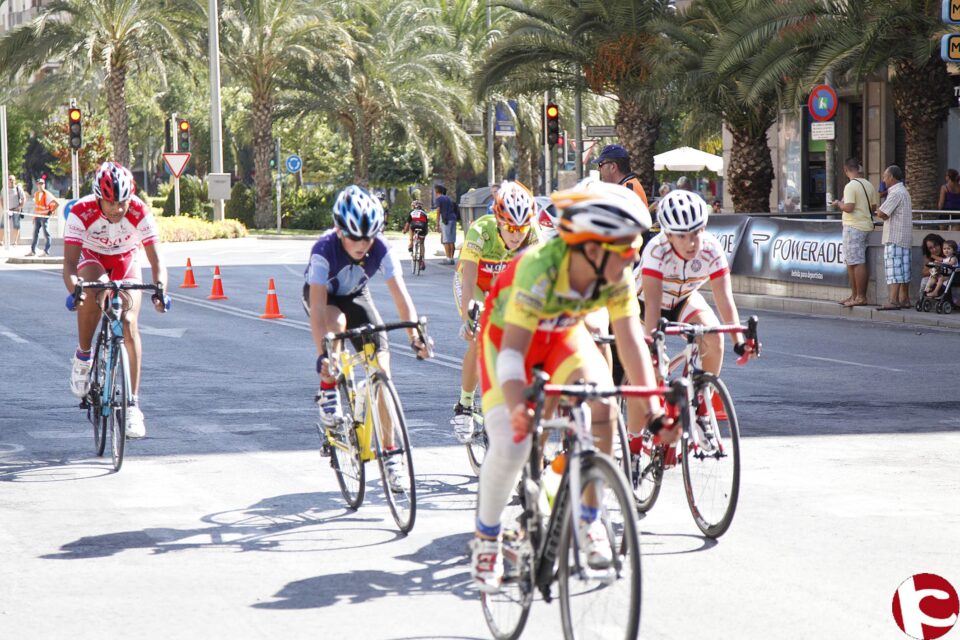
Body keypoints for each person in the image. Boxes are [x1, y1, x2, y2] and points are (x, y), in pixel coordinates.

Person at [470, 180, 669, 592]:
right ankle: (487, 539)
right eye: (626, 248)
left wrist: (654, 411)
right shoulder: (538, 268)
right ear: (593, 248)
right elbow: (512, 353)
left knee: (604, 405)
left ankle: (589, 519)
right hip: (508, 343)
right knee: (512, 443)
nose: (634, 256)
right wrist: (517, 408)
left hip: (561, 336)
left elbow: (631, 341)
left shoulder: (614, 273)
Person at [304, 185, 432, 491]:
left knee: (382, 372)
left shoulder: (381, 248)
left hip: (356, 296)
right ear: (339, 230)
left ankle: (390, 454)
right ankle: (329, 390)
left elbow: (401, 296)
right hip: (324, 299)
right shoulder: (323, 250)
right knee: (336, 323)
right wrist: (323, 357)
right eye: (355, 237)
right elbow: (318, 310)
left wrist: (415, 335)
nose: (363, 245)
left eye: (369, 237)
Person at [63, 161, 169, 438]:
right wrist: (76, 290)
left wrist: (160, 290)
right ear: (99, 197)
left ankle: (132, 405)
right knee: (92, 291)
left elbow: (157, 261)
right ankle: (83, 356)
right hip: (92, 258)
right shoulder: (81, 211)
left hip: (125, 259)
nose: (117, 209)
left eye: (122, 202)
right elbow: (70, 265)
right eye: (110, 202)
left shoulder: (139, 211)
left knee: (129, 320)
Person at [451, 181, 540, 442]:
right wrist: (469, 319)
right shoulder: (481, 231)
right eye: (510, 227)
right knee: (479, 338)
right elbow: (468, 281)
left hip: (506, 286)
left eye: (522, 228)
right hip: (476, 286)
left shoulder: (533, 234)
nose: (516, 235)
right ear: (499, 220)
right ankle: (465, 405)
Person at [637, 190, 757, 379]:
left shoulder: (712, 249)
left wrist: (739, 342)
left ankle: (704, 391)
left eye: (696, 233)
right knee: (652, 370)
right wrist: (654, 348)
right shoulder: (656, 251)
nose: (691, 243)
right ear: (668, 235)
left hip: (683, 299)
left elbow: (724, 299)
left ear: (704, 228)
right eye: (681, 236)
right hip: (643, 305)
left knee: (713, 336)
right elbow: (653, 305)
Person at [831, 158, 878, 307]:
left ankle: (860, 297)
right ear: (858, 168)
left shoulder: (850, 186)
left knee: (856, 262)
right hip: (866, 226)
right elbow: (873, 207)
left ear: (846, 170)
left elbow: (849, 207)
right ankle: (854, 296)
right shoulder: (869, 184)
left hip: (854, 227)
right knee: (853, 261)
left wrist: (838, 203)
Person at [876, 165, 914, 310]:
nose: (883, 180)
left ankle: (893, 300)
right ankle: (905, 299)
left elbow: (883, 213)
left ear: (891, 177)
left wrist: (878, 211)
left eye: (885, 177)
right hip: (904, 236)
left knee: (894, 269)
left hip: (894, 236)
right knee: (904, 269)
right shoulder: (903, 191)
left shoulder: (895, 192)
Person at [28, 177, 57, 257]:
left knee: (46, 234)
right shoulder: (36, 194)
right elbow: (37, 206)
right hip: (38, 216)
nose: (40, 185)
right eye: (39, 184)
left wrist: (50, 212)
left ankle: (46, 251)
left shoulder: (47, 194)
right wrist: (34, 216)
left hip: (44, 217)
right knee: (35, 234)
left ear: (44, 185)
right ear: (37, 185)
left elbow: (56, 203)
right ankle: (33, 251)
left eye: (42, 184)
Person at [435, 185, 459, 264]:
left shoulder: (439, 199)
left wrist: (437, 224)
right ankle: (451, 258)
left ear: (436, 192)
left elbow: (438, 211)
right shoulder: (448, 198)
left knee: (446, 240)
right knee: (451, 240)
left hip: (446, 220)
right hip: (453, 219)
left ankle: (448, 259)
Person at [403, 199, 429, 271]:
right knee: (422, 243)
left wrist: (404, 230)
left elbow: (407, 223)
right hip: (423, 227)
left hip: (414, 226)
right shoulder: (424, 212)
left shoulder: (412, 212)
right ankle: (422, 260)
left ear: (414, 206)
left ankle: (411, 243)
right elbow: (426, 223)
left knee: (411, 227)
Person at [1, 174, 25, 248]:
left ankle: (15, 242)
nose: (11, 181)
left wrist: (20, 207)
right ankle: (1, 241)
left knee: (16, 225)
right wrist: (4, 207)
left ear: (15, 181)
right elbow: (1, 198)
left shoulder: (18, 189)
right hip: (7, 210)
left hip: (15, 210)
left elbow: (23, 198)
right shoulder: (4, 188)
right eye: (9, 179)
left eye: (12, 179)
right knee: (2, 225)